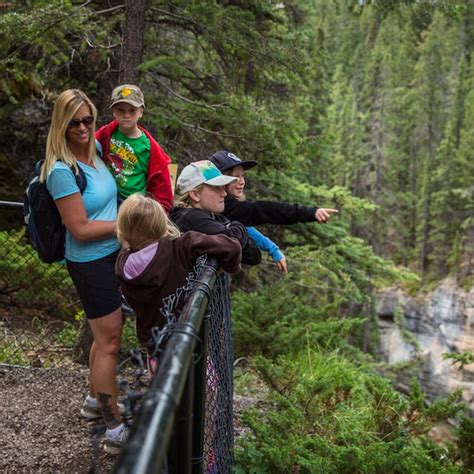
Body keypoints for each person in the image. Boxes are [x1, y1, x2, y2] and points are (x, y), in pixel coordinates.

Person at [41, 89, 127, 454]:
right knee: (109, 342)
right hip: (89, 262)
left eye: (88, 120)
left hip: (108, 257)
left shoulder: (94, 155)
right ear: (61, 124)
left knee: (101, 336)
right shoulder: (61, 171)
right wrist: (126, 224)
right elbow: (79, 228)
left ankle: (96, 402)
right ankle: (114, 427)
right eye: (73, 121)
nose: (82, 127)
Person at [115, 193, 242, 351]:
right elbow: (232, 246)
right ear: (162, 222)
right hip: (193, 337)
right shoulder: (181, 246)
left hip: (155, 345)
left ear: (123, 227)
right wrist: (229, 268)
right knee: (202, 375)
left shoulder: (123, 264)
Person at [209, 150, 338, 268]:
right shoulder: (221, 206)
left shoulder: (225, 206)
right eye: (236, 177)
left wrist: (272, 249)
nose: (242, 181)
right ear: (221, 179)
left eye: (243, 176)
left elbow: (246, 227)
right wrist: (310, 213)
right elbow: (265, 210)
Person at [96, 84, 174, 212]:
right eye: (121, 110)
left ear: (141, 112)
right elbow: (87, 147)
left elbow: (162, 186)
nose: (127, 115)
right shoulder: (107, 133)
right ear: (113, 111)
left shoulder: (148, 147)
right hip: (108, 195)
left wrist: (162, 214)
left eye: (132, 110)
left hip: (134, 203)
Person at [169, 160, 262, 266]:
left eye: (223, 187)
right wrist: (238, 226)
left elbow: (254, 256)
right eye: (215, 188)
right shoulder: (191, 217)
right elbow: (232, 239)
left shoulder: (213, 217)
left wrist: (234, 231)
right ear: (195, 194)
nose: (224, 193)